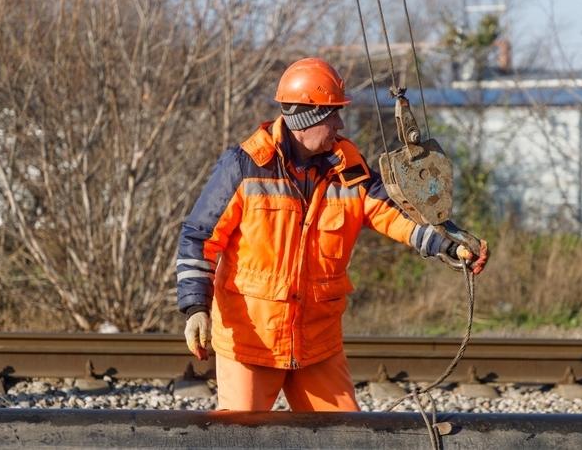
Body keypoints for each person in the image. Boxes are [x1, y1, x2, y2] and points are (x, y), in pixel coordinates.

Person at [176, 57, 488, 412]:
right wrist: (195, 308)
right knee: (240, 440)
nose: (341, 124)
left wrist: (447, 243)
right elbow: (200, 238)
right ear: (305, 119)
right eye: (332, 115)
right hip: (251, 344)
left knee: (346, 439)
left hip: (317, 346)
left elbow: (394, 215)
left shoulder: (350, 171)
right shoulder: (245, 166)